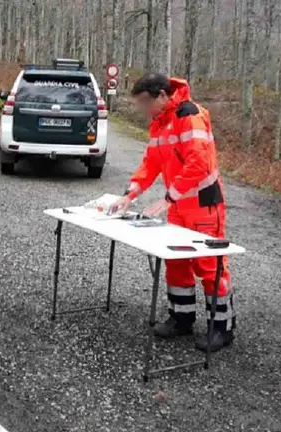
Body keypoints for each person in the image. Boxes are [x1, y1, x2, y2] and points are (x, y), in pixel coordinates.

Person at [113, 73, 236, 352]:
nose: (144, 110)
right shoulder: (159, 124)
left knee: (209, 265)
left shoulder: (189, 115)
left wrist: (169, 198)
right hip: (180, 205)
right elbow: (150, 164)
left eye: (145, 103)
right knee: (177, 262)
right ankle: (181, 318)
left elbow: (199, 163)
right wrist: (129, 195)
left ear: (162, 96)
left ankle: (222, 328)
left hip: (204, 204)